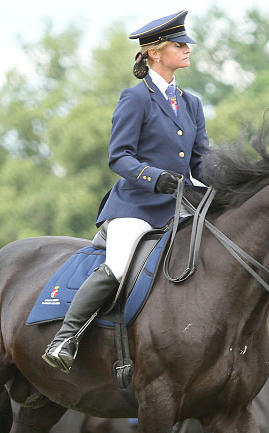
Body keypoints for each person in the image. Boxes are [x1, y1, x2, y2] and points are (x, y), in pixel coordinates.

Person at [43, 10, 209, 371]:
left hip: (179, 206)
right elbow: (119, 157)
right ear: (155, 52)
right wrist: (154, 177)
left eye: (186, 44)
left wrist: (232, 183)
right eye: (180, 45)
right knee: (117, 268)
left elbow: (201, 162)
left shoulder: (192, 103)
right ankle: (65, 338)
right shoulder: (136, 99)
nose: (188, 49)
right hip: (136, 206)